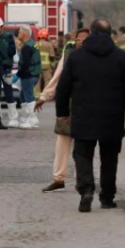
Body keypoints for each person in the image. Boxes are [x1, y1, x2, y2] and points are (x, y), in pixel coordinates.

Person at [56, 19, 125, 212]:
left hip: (83, 115)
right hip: (112, 116)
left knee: (82, 154)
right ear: (110, 33)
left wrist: (62, 113)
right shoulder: (121, 57)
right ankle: (107, 197)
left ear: (91, 32)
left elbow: (63, 88)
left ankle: (86, 189)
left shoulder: (76, 57)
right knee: (109, 158)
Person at [37, 28, 89, 193]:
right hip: (68, 105)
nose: (81, 41)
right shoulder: (68, 54)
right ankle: (59, 179)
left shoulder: (95, 57)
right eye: (79, 38)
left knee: (84, 145)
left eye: (85, 38)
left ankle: (81, 179)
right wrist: (44, 96)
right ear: (74, 40)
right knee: (62, 143)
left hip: (87, 107)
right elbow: (56, 78)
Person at [0, 16, 18, 127]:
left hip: (6, 67)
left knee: (8, 91)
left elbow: (12, 51)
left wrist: (2, 44)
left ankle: (13, 117)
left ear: (1, 27)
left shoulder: (8, 37)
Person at [16, 26, 42, 129]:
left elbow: (25, 63)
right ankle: (25, 118)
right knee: (23, 96)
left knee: (29, 98)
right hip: (34, 74)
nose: (18, 34)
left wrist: (18, 75)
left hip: (28, 75)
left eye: (19, 33)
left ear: (24, 34)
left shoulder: (26, 47)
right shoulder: (32, 44)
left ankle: (32, 120)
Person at [36, 28, 55, 94]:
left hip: (37, 66)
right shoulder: (49, 45)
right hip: (46, 67)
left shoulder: (36, 44)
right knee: (47, 81)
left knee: (37, 82)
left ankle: (37, 95)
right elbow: (52, 56)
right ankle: (46, 94)